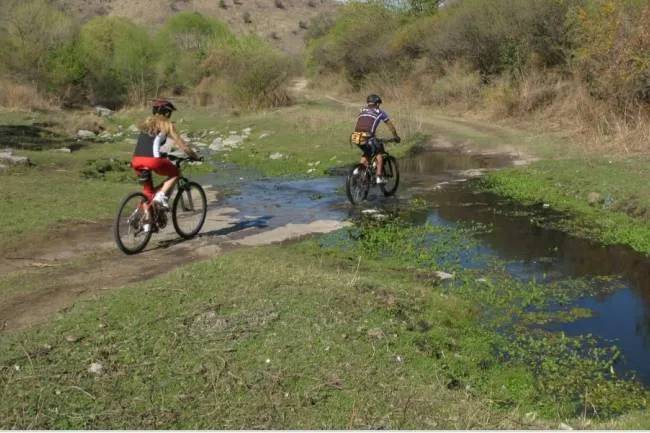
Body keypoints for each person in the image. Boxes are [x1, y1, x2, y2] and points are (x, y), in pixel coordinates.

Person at [131, 99, 200, 210]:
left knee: (148, 192)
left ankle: (146, 222)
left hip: (136, 160)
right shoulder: (166, 125)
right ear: (167, 113)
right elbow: (183, 146)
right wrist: (194, 156)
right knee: (176, 173)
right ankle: (161, 196)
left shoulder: (146, 123)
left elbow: (148, 143)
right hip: (153, 160)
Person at [351, 94, 401, 184]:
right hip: (367, 136)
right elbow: (390, 125)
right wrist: (395, 136)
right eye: (379, 104)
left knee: (367, 152)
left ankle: (358, 171)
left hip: (355, 136)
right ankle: (379, 177)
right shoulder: (380, 112)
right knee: (379, 154)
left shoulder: (362, 110)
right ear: (377, 103)